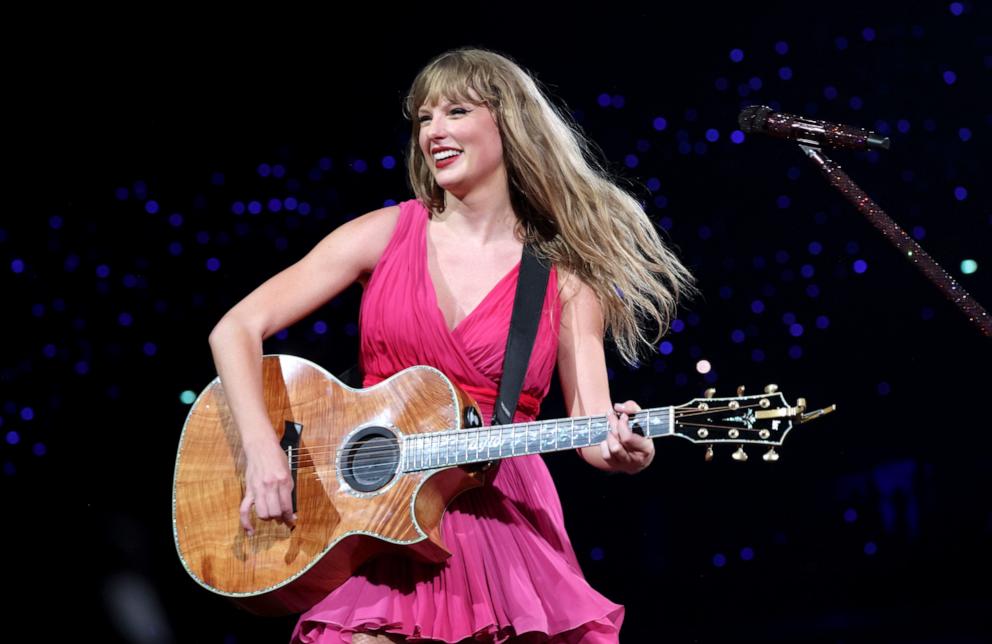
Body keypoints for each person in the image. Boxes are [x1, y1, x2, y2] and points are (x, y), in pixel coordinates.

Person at [207, 47, 694, 644]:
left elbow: (591, 424)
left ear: (508, 123)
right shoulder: (383, 233)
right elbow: (235, 328)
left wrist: (623, 448)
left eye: (455, 111)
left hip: (498, 515)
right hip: (380, 511)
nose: (434, 131)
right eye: (423, 119)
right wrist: (261, 452)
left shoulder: (564, 277)